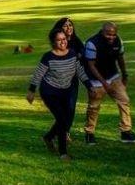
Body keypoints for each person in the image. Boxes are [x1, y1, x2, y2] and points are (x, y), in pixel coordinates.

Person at [27, 27, 90, 162]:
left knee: (66, 119)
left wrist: (89, 86)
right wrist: (31, 91)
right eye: (59, 40)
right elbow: (38, 74)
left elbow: (79, 71)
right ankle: (63, 153)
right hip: (50, 92)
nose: (63, 42)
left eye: (64, 39)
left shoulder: (72, 54)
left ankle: (48, 137)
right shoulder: (48, 57)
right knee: (62, 120)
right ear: (53, 42)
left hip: (65, 91)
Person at [83, 22, 135, 144]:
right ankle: (89, 133)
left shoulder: (118, 41)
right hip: (96, 80)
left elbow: (120, 58)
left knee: (124, 100)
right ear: (102, 31)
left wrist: (125, 74)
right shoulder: (92, 43)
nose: (111, 37)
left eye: (113, 34)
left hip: (113, 76)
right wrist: (104, 83)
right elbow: (91, 66)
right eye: (108, 34)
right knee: (94, 107)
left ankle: (126, 132)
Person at [50, 17, 85, 140]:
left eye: (70, 25)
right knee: (66, 108)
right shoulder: (60, 42)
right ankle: (62, 133)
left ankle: (64, 132)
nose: (69, 27)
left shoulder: (76, 40)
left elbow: (83, 53)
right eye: (65, 25)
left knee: (70, 108)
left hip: (73, 79)